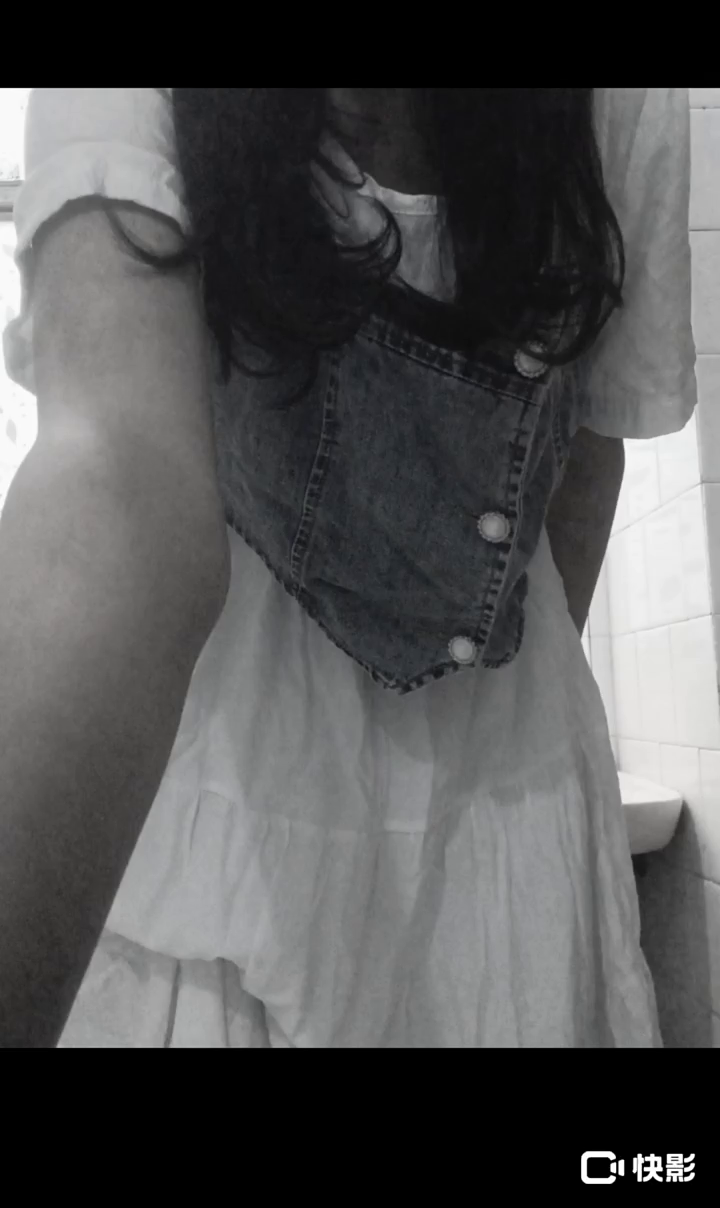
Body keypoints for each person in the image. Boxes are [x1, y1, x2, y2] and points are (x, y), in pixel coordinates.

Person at [0, 88, 694, 1048]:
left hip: (509, 811)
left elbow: (589, 457)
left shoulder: (625, 102)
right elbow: (117, 476)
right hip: (229, 827)